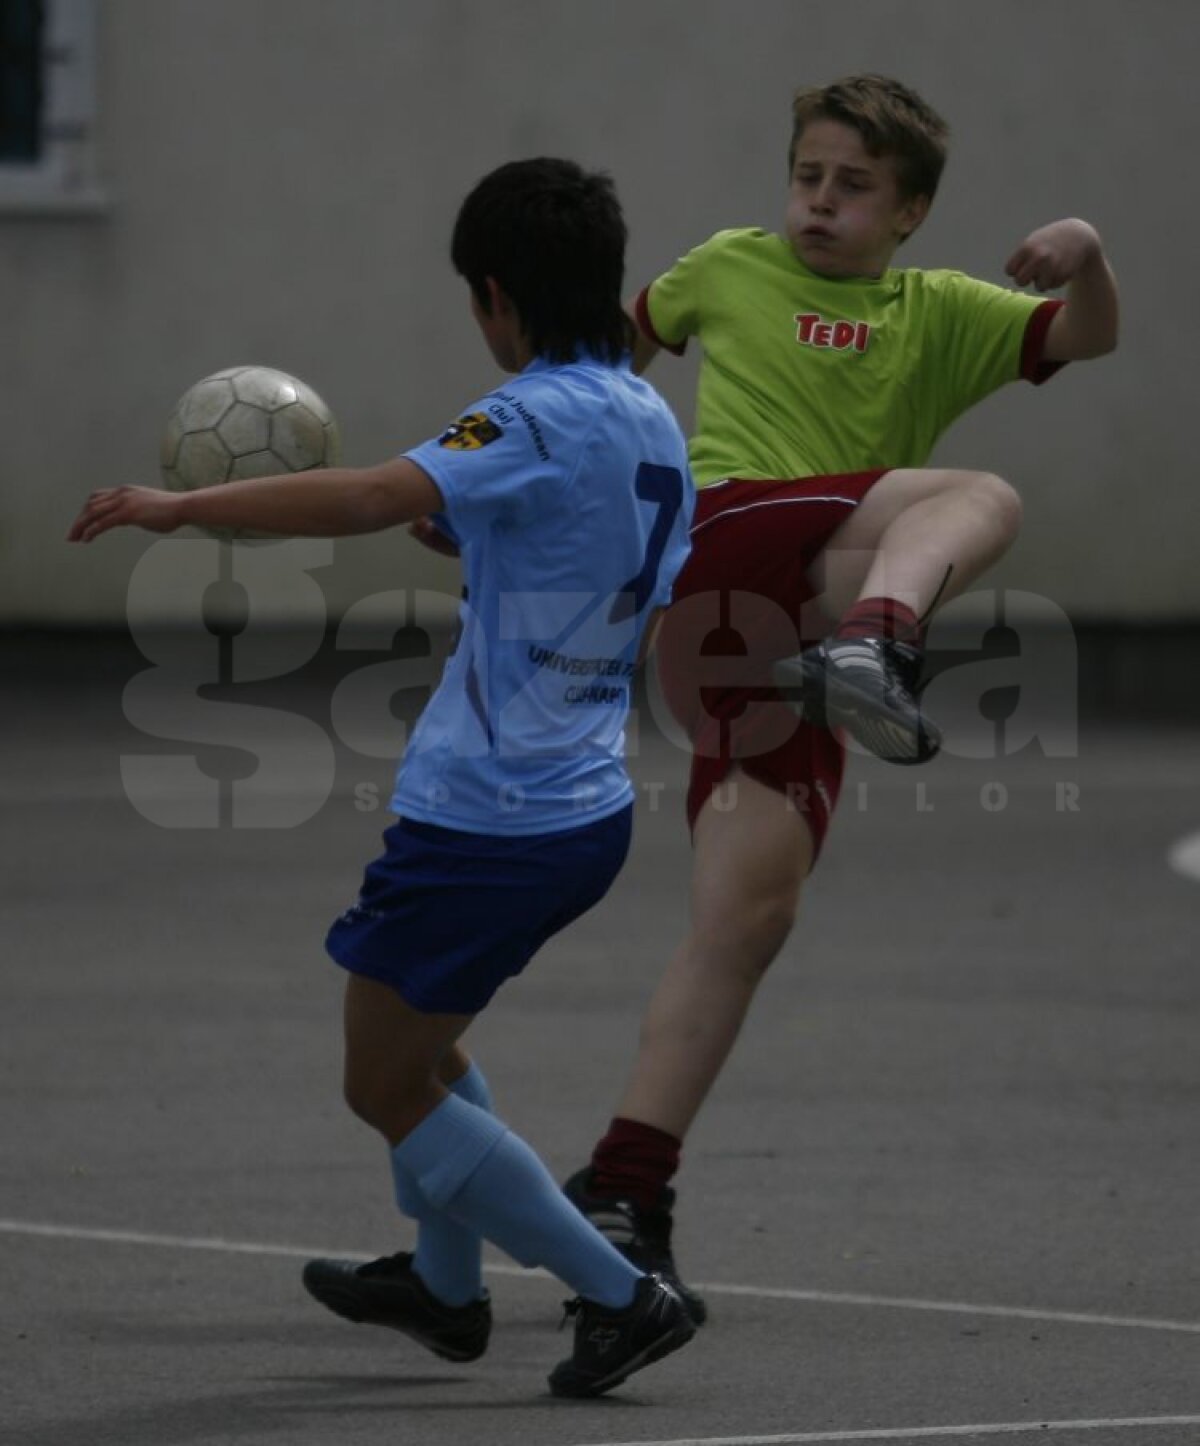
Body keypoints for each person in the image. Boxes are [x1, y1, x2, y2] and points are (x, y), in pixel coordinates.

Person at [68, 156, 699, 1399]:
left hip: (491, 814)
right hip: (583, 802)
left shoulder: (517, 415)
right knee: (433, 1050)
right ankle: (445, 1287)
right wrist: (476, 525)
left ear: (494, 296)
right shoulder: (647, 419)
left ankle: (622, 1297)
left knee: (382, 1080)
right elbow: (610, 561)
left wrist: (183, 512)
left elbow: (367, 490)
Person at [561, 74, 1119, 1323]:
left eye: (853, 186)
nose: (819, 202)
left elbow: (1089, 336)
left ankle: (625, 1191)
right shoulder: (729, 267)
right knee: (984, 499)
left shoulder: (946, 312)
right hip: (729, 544)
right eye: (807, 176)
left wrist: (1087, 253)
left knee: (746, 921)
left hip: (778, 638)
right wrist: (523, 474)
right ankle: (881, 640)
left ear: (911, 211)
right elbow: (607, 358)